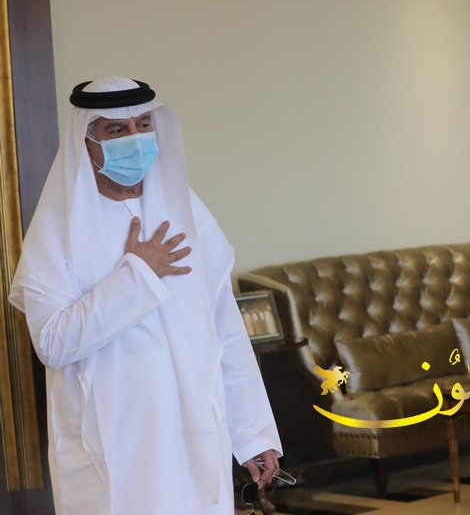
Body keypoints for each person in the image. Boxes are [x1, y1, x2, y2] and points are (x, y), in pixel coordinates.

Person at [9, 76, 283, 514]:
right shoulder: (60, 230)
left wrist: (252, 434)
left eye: (143, 125)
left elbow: (224, 329)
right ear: (88, 143)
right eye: (117, 130)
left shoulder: (186, 211)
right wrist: (138, 274)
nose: (135, 139)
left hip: (197, 436)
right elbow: (54, 343)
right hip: (115, 450)